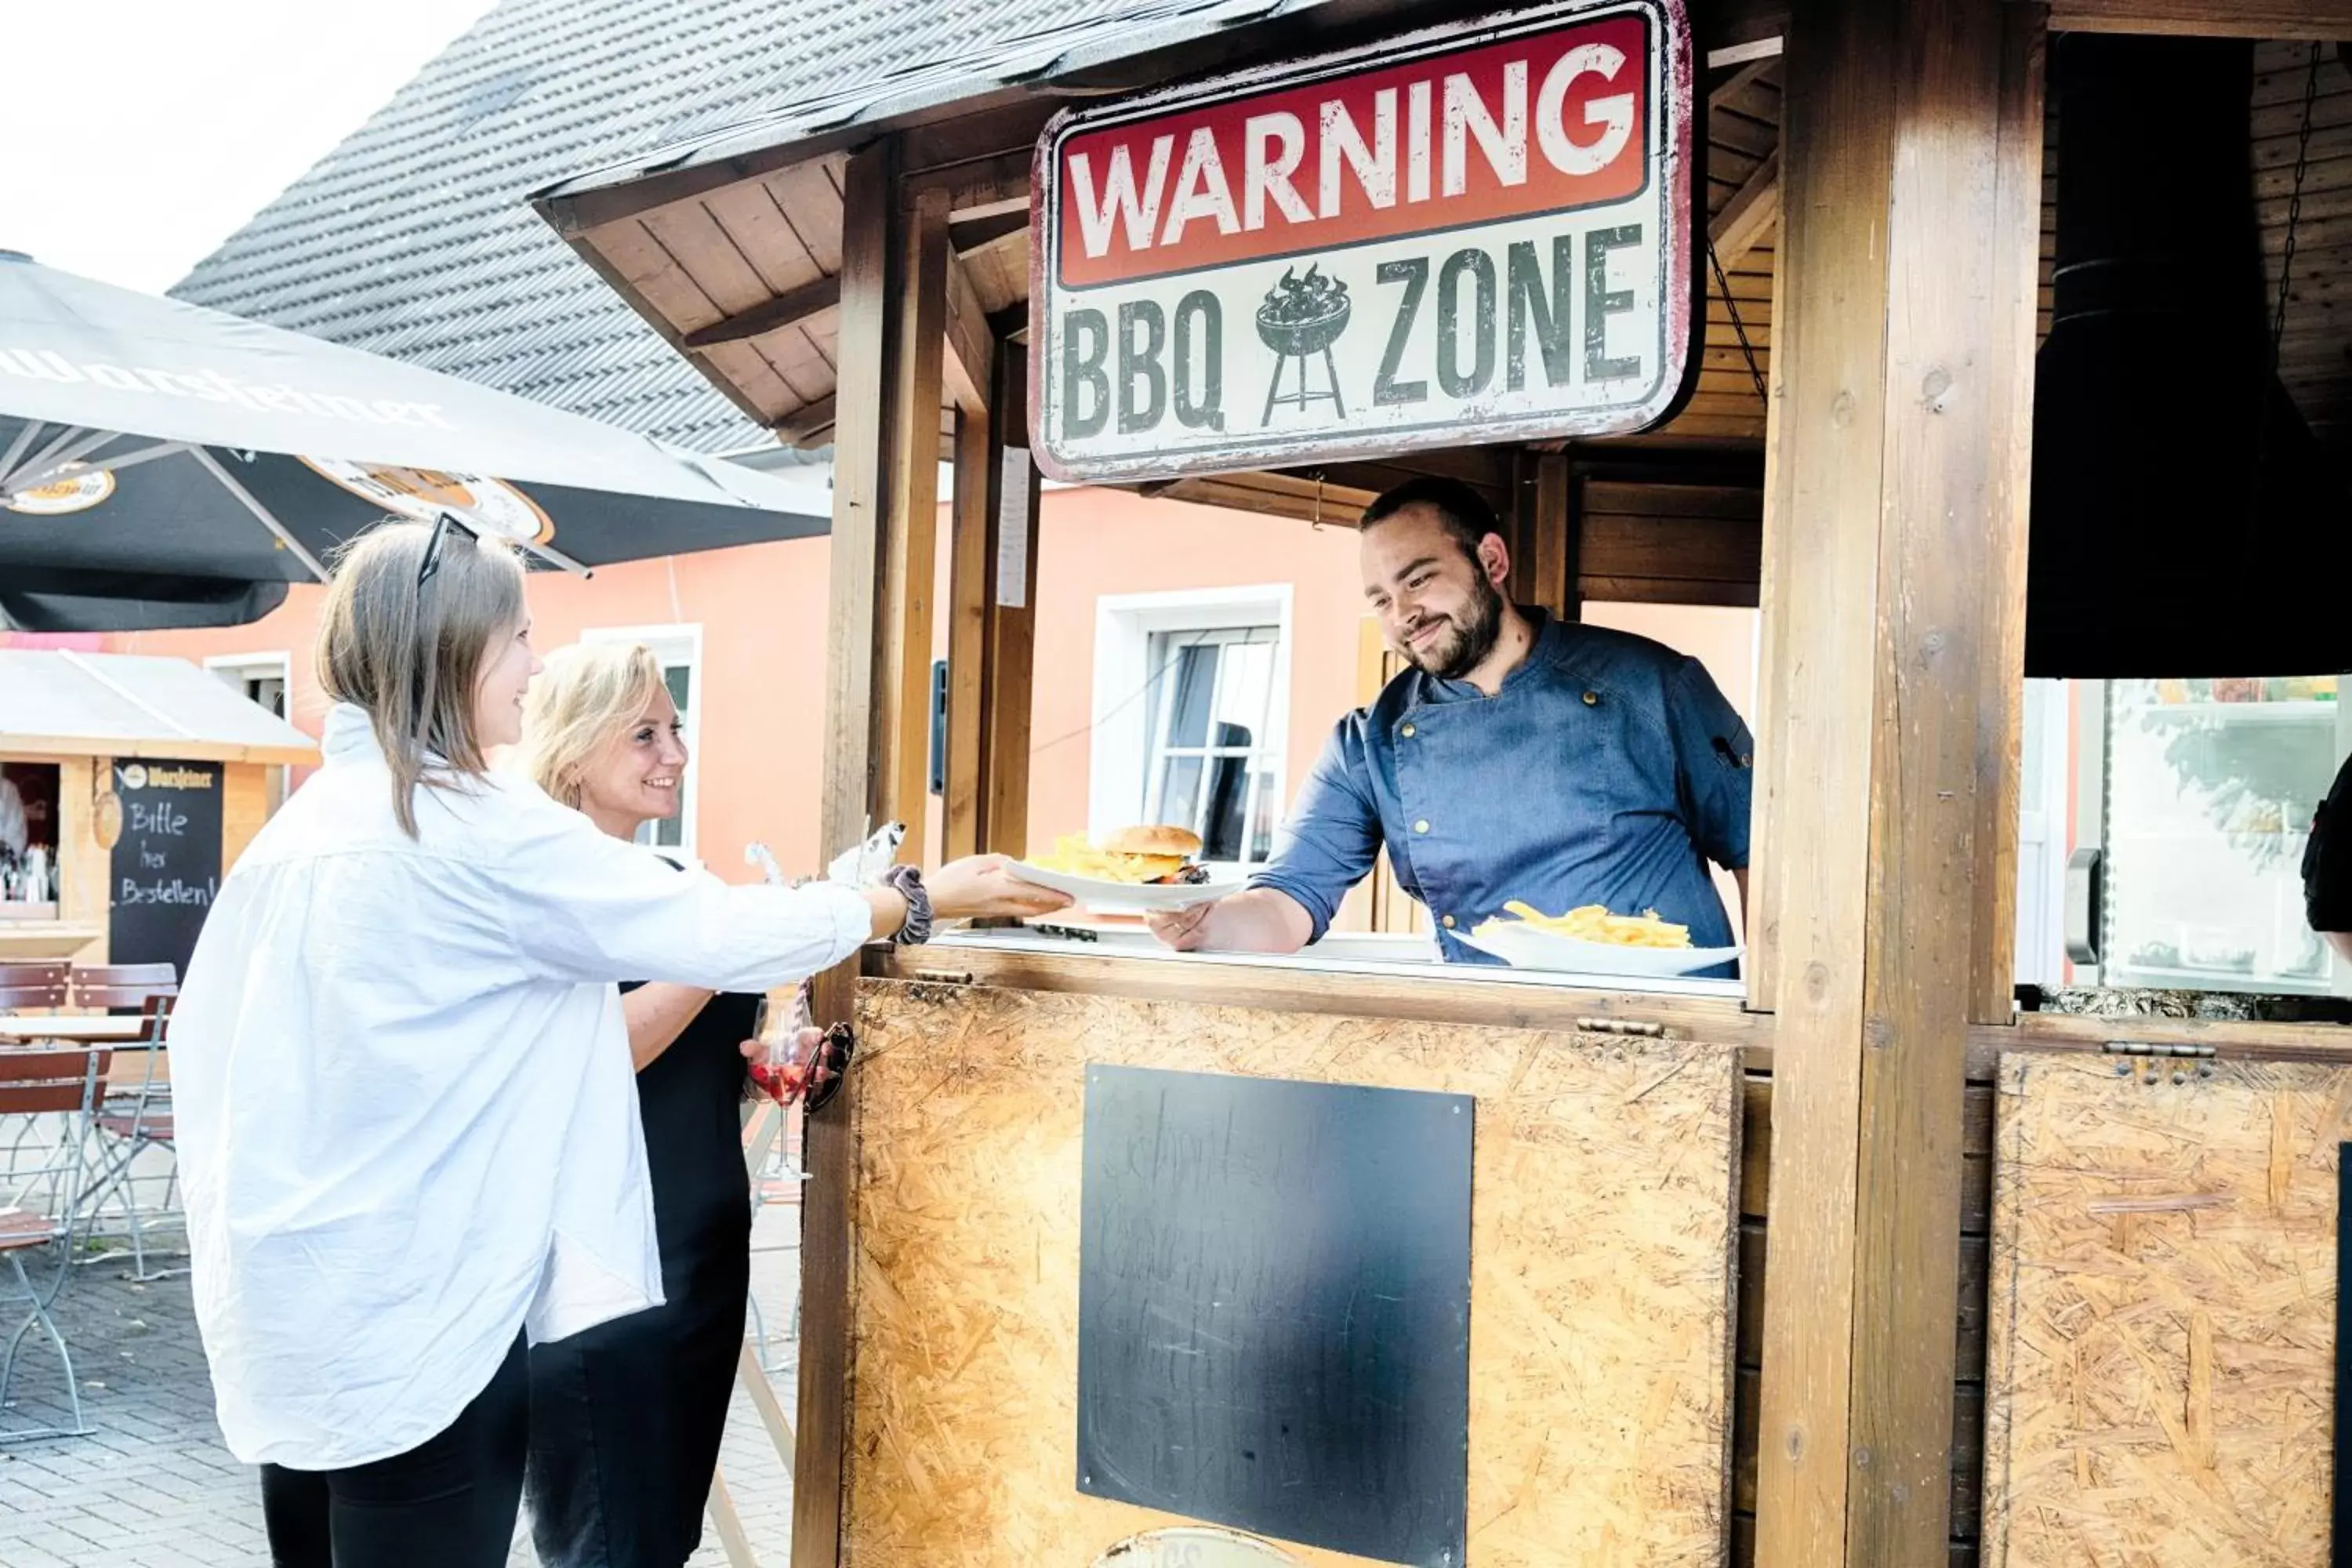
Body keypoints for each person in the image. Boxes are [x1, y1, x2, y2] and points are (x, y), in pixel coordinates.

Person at [166, 517, 1068, 1568]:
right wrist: (904, 898)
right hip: (422, 1330)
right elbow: (717, 929)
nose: (532, 664)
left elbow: (209, 1055)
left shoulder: (305, 829)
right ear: (453, 650)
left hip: (299, 1316)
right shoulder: (468, 828)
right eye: (516, 637)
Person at [1149, 477, 1751, 971]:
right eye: (1381, 599)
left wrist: (1770, 1027)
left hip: (1675, 1033)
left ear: (1490, 561)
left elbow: (1765, 854)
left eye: (1418, 580)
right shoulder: (1368, 742)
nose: (1403, 615)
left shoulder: (1653, 686)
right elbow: (1287, 903)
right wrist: (1202, 922)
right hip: (1494, 1043)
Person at [511, 641, 782, 1567]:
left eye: (676, 727)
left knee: (655, 1539)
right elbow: (585, 1054)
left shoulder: (671, 891)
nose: (675, 752)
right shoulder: (542, 893)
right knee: (607, 1543)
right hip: (603, 1286)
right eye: (644, 733)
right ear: (573, 749)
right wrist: (717, 951)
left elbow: (713, 1062)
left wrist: (781, 1061)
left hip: (702, 1269)